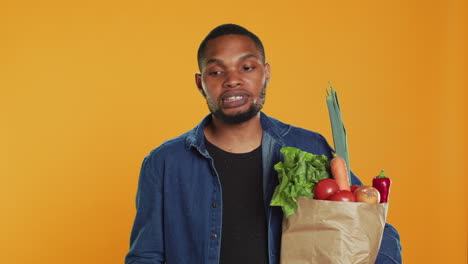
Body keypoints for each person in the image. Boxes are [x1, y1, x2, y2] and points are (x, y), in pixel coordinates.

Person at [125, 24, 402, 264]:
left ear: (266, 73)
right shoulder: (163, 163)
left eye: (247, 67)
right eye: (216, 71)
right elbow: (145, 256)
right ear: (200, 83)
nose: (232, 80)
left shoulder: (308, 147)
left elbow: (372, 227)